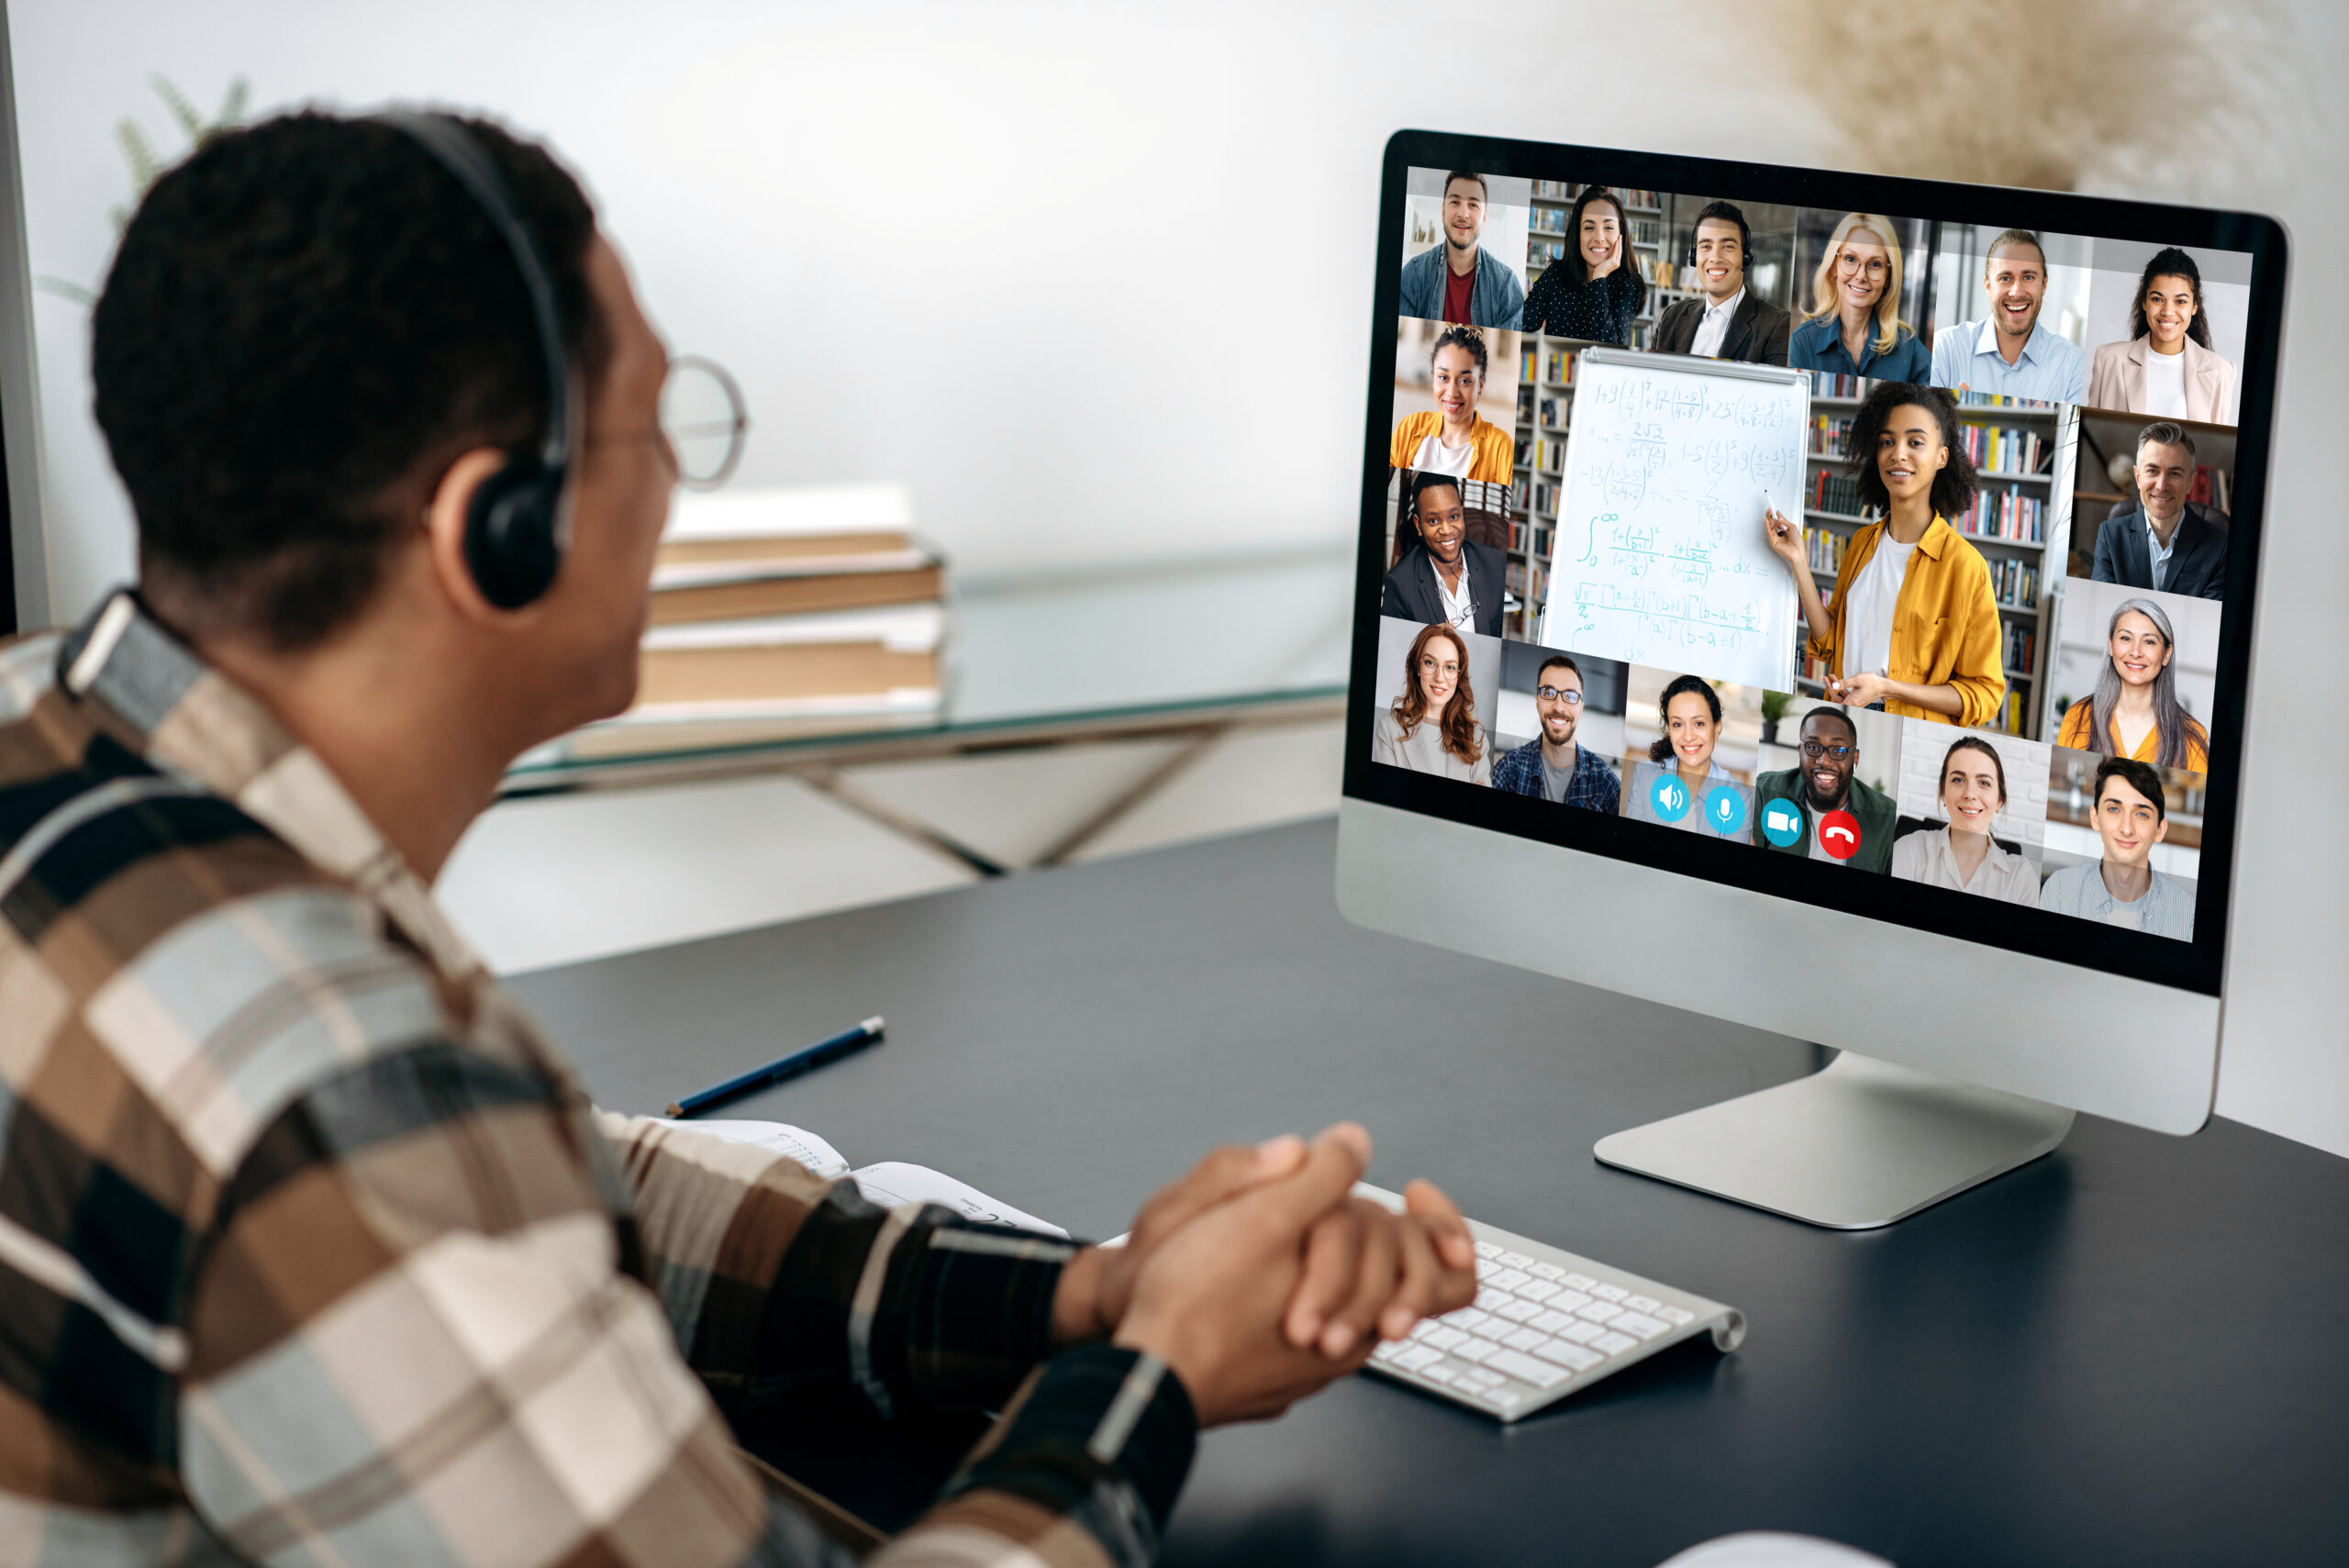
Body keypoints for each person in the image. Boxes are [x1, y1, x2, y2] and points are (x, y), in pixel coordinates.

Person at [0, 111, 1484, 1568]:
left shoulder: (51, 744)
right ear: (498, 527)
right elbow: (404, 1169)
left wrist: (1075, 1296)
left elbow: (536, 1193)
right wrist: (1149, 1380)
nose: (675, 486)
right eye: (654, 424)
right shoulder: (321, 1086)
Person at [1761, 381, 2007, 727]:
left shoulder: (1966, 567)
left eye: (1915, 442)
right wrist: (1799, 561)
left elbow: (1984, 694)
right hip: (1840, 713)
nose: (1898, 453)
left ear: (1942, 457)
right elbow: (1830, 642)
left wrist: (1887, 689)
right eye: (1887, 442)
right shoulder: (1862, 543)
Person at [2037, 757, 2198, 939]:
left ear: (2160, 830)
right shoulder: (2058, 891)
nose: (2126, 829)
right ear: (2095, 818)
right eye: (2114, 809)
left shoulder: (2188, 914)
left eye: (2142, 814)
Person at [1927, 228, 2087, 405]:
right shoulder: (1946, 349)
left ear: (2044, 284)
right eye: (2005, 278)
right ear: (1988, 286)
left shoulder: (2074, 365)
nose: (2016, 292)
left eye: (2028, 277)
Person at [2054, 596, 2211, 772]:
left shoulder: (2193, 737)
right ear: (2111, 645)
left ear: (2166, 654)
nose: (2136, 652)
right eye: (2126, 638)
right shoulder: (2077, 717)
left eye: (2149, 642)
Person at [2087, 246, 2238, 424]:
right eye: (2157, 299)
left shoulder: (2221, 371)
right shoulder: (2108, 359)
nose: (2167, 311)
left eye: (2180, 301)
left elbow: (2217, 440)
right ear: (2144, 302)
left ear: (2194, 306)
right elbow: (2090, 429)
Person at [1889, 735, 2042, 904]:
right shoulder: (1908, 852)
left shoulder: (2021, 878)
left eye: (1984, 783)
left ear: (1999, 800)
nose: (1970, 794)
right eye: (1958, 780)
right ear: (1943, 793)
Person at [2090, 420, 2228, 598]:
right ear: (2138, 477)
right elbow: (2102, 604)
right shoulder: (2110, 536)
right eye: (2153, 471)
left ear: (2190, 483)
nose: (2162, 486)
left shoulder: (2220, 546)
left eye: (2174, 473)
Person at [1787, 212, 1932, 382]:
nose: (1861, 275)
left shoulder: (1908, 347)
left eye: (1875, 264)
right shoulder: (1803, 341)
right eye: (1850, 259)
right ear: (1833, 268)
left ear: (1888, 277)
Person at [1752, 706, 1897, 872]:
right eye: (1813, 747)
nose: (1824, 761)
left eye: (1838, 750)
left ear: (1855, 758)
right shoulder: (1766, 791)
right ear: (1800, 752)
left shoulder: (1886, 817)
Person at [1650, 200, 1790, 364]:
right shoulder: (1671, 317)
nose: (1715, 257)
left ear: (1745, 258)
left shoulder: (1777, 326)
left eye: (1728, 246)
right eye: (1706, 246)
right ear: (1694, 257)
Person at [1621, 673, 1753, 841]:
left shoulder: (1738, 798)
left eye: (1699, 723)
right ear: (1669, 730)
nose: (1688, 736)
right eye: (1678, 724)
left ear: (1717, 727)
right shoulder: (1645, 775)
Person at [1490, 651, 1622, 811]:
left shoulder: (1605, 782)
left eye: (1570, 696)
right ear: (1538, 703)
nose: (1558, 707)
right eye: (1548, 693)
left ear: (1581, 709)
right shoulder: (1509, 769)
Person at [1382, 472, 1507, 636]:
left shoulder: (1495, 564)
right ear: (1418, 525)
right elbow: (1391, 646)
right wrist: (1428, 638)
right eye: (1433, 521)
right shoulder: (1400, 585)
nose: (1447, 530)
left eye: (1453, 517)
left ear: (1462, 514)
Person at [1397, 170, 1525, 329]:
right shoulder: (1414, 275)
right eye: (1455, 202)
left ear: (1484, 218)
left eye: (1473, 205)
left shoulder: (1506, 286)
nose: (1463, 214)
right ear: (1443, 211)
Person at [1518, 184, 1646, 344]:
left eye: (1608, 227)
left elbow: (1609, 346)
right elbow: (1523, 322)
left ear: (1621, 236)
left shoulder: (1628, 285)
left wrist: (1599, 278)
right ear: (1578, 234)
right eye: (1589, 227)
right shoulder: (1556, 274)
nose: (1599, 237)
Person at [1387, 323, 1515, 483]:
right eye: (1443, 377)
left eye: (1465, 380)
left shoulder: (1500, 448)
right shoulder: (1409, 428)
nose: (1452, 392)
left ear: (1481, 384)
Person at [1373, 622, 1491, 782]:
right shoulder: (1389, 728)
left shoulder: (1476, 737)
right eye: (1430, 663)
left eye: (1450, 667)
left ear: (1458, 675)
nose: (1439, 677)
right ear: (1418, 667)